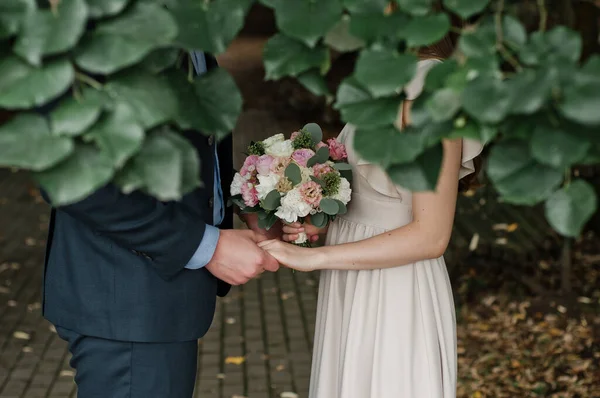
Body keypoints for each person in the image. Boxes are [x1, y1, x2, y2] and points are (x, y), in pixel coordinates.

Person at [41, 52, 279, 398]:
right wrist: (205, 246)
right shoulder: (111, 31)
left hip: (155, 303)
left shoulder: (191, 40)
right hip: (127, 300)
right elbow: (74, 179)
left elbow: (195, 149)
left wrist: (246, 200)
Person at [258, 36, 484, 397]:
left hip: (395, 290)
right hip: (351, 279)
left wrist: (314, 259)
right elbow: (372, 196)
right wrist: (317, 214)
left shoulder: (431, 89)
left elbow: (432, 235)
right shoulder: (384, 77)